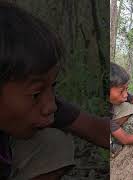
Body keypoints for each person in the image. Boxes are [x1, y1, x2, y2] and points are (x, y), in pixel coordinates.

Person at [0, 2, 109, 179]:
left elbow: (95, 128)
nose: (51, 105)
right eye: (36, 93)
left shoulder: (39, 106)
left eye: (52, 86)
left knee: (54, 142)